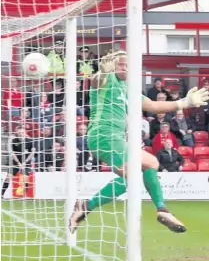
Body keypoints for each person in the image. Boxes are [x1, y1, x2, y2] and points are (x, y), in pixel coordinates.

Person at [69, 51, 209, 235]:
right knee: (131, 175)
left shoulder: (128, 88)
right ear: (113, 65)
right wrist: (102, 71)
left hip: (117, 138)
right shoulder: (105, 79)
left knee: (151, 163)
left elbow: (152, 106)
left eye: (128, 65)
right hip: (103, 135)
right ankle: (85, 206)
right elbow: (96, 80)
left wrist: (184, 102)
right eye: (121, 65)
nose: (125, 68)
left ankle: (162, 210)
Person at [1, 127, 35, 198]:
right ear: (17, 133)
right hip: (15, 162)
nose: (20, 134)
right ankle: (1, 195)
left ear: (25, 133)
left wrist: (25, 162)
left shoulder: (29, 141)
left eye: (22, 132)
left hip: (26, 162)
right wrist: (18, 162)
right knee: (8, 177)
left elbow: (32, 153)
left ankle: (25, 196)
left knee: (25, 178)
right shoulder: (14, 140)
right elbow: (13, 153)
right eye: (19, 132)